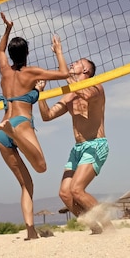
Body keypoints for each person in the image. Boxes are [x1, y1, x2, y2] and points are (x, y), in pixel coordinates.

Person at [0, 13, 70, 240]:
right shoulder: (32, 72)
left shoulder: (5, 70)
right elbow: (65, 73)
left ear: (10, 54)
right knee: (41, 168)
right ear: (26, 53)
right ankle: (16, 135)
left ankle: (30, 230)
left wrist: (7, 29)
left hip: (1, 132)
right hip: (19, 124)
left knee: (26, 184)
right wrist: (58, 51)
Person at [36, 57, 110, 234]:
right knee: (65, 193)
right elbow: (47, 116)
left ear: (86, 71)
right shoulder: (69, 94)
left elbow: (84, 94)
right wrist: (40, 94)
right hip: (77, 149)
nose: (72, 64)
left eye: (77, 63)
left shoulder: (96, 87)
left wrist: (64, 72)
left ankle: (109, 228)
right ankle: (94, 228)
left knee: (77, 189)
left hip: (95, 144)